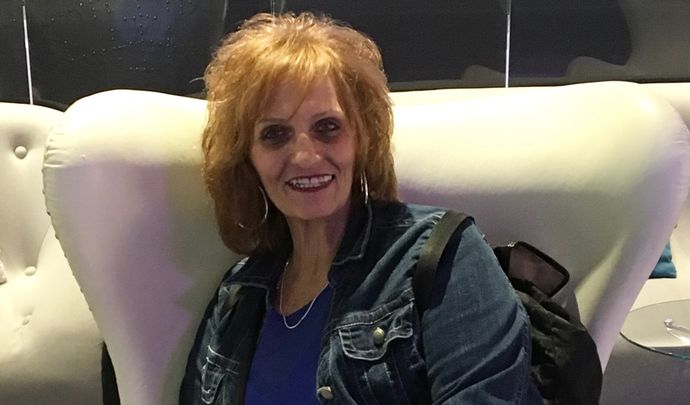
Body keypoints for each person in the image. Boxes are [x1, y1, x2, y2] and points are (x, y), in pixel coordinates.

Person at [180, 12, 539, 405]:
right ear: (247, 158)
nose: (305, 156)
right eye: (275, 134)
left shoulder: (444, 257)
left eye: (327, 127)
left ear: (362, 138)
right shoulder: (237, 296)